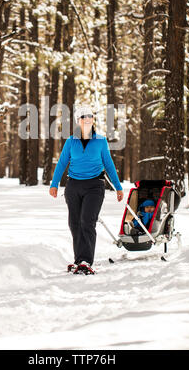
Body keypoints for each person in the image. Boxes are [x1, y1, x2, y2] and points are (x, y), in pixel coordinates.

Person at [49, 105, 123, 275]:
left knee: (87, 222)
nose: (87, 119)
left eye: (89, 116)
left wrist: (118, 187)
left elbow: (109, 165)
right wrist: (54, 184)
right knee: (74, 224)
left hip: (94, 186)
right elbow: (61, 163)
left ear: (92, 120)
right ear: (78, 121)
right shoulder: (70, 141)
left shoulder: (101, 141)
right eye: (83, 117)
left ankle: (86, 260)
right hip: (73, 186)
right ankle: (78, 260)